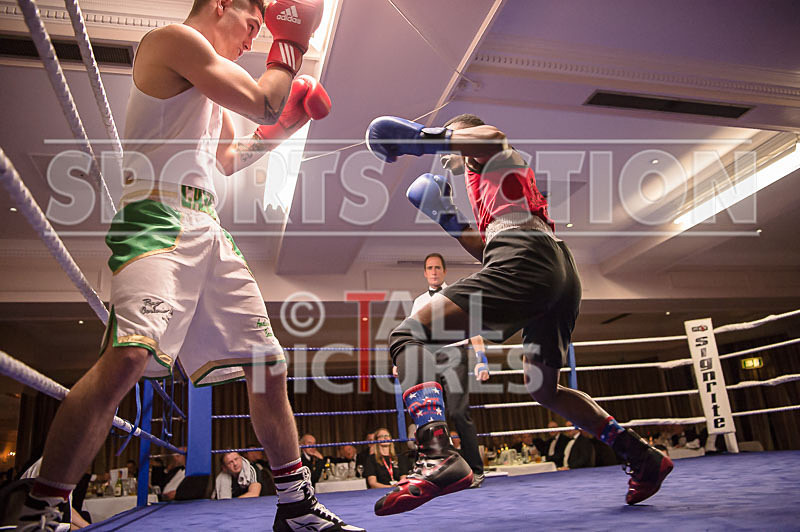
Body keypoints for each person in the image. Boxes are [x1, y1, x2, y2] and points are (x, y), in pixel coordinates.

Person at [16, 1, 363, 531]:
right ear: (222, 5)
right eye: (253, 25)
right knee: (129, 357)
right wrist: (290, 46)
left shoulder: (206, 85)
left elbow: (229, 157)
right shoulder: (172, 40)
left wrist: (288, 125)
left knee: (269, 363)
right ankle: (39, 509)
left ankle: (295, 505)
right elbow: (262, 100)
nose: (253, 39)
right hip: (156, 215)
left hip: (207, 226)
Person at [365, 113, 673, 515]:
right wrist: (448, 217)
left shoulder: (496, 155)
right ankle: (641, 454)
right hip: (555, 271)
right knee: (543, 387)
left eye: (457, 147)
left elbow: (492, 136)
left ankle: (437, 452)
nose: (451, 161)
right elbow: (490, 250)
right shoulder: (485, 187)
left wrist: (422, 138)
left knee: (409, 335)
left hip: (529, 261)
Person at [403, 252, 489, 488]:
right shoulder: (419, 302)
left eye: (437, 268)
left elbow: (473, 330)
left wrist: (481, 359)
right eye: (429, 268)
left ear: (444, 271)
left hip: (454, 355)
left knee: (459, 412)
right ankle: (443, 471)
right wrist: (401, 361)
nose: (433, 271)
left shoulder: (457, 295)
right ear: (425, 272)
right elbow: (412, 335)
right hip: (429, 357)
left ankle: (476, 469)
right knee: (431, 416)